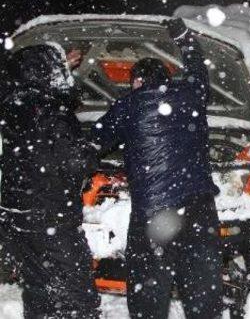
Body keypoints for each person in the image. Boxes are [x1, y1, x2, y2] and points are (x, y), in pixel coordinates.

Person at [91, 19, 223, 319]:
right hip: (199, 209)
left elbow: (95, 142)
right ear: (166, 76)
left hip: (153, 215)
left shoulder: (128, 105)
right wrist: (185, 38)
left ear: (137, 81)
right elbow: (198, 68)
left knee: (149, 294)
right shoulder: (191, 94)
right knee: (203, 289)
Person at [0, 43, 101, 318]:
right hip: (52, 218)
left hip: (17, 215)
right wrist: (90, 152)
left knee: (37, 287)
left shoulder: (11, 106)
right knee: (79, 295)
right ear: (47, 73)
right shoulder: (52, 109)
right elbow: (77, 162)